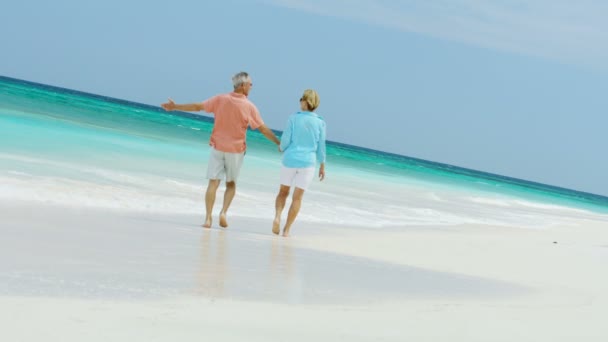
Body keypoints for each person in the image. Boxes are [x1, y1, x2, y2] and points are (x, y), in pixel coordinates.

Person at [161, 72, 280, 229]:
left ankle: (208, 219)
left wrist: (175, 107)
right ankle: (223, 212)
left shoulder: (220, 99)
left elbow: (198, 107)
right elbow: (263, 129)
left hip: (218, 147)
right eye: (250, 84)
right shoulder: (250, 107)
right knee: (231, 184)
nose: (251, 87)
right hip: (236, 150)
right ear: (243, 86)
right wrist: (278, 142)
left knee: (213, 183)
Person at [273, 89, 326, 237]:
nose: (299, 101)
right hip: (307, 163)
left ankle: (277, 216)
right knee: (297, 198)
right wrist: (322, 165)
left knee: (283, 192)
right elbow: (321, 146)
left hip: (290, 159)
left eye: (301, 98)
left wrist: (281, 147)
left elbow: (286, 139)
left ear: (305, 101)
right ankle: (287, 230)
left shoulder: (293, 118)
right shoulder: (320, 123)